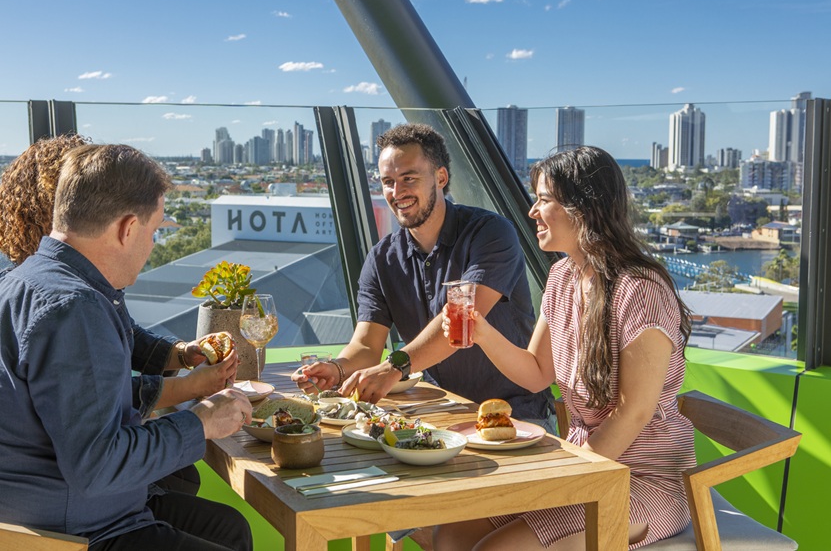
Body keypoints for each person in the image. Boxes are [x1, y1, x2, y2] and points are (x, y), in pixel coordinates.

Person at [435, 146, 696, 550]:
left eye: (543, 200)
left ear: (583, 208)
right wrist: (482, 332)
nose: (532, 212)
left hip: (643, 481)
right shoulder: (561, 277)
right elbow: (537, 373)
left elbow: (635, 412)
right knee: (451, 534)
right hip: (584, 461)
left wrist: (568, 479)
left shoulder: (640, 290)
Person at [0, 144, 253, 550]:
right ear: (128, 228)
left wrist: (179, 362)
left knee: (229, 529)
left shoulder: (25, 280)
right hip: (78, 532)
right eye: (153, 232)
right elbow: (98, 467)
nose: (152, 246)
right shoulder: (75, 309)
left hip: (48, 509)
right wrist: (202, 422)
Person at [292, 123, 555, 429]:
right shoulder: (381, 259)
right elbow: (366, 346)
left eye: (409, 178)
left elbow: (462, 320)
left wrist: (395, 366)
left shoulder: (491, 233)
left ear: (440, 177)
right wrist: (337, 370)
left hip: (514, 417)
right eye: (388, 182)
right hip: (436, 415)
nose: (397, 192)